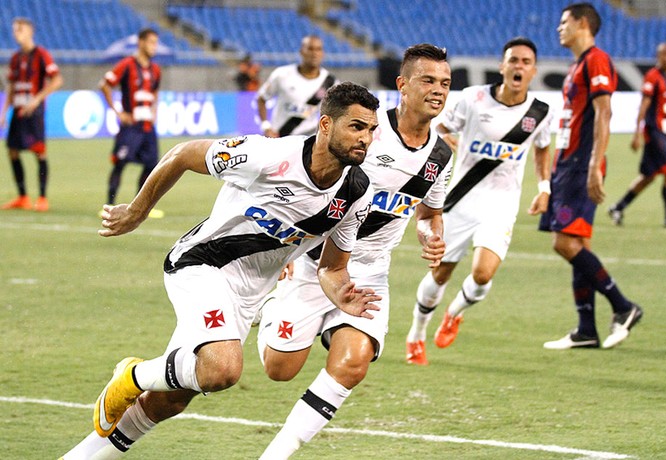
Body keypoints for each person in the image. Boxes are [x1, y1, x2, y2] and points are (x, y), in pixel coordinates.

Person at [60, 82, 381, 459]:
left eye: (372, 130)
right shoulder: (267, 156)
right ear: (326, 125)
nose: (366, 139)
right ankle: (130, 375)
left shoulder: (357, 192)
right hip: (202, 263)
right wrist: (136, 210)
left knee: (171, 400)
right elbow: (183, 154)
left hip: (250, 295)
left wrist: (341, 292)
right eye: (357, 127)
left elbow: (332, 267)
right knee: (222, 369)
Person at [256, 44, 452, 458]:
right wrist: (287, 252)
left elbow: (428, 214)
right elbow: (309, 180)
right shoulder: (364, 132)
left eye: (445, 83)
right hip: (314, 262)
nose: (438, 90)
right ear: (402, 85)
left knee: (352, 362)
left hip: (369, 272)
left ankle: (275, 454)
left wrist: (430, 234)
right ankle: (268, 307)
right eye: (428, 80)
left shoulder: (441, 155)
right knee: (280, 370)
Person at [405, 37, 553, 365]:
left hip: (501, 204)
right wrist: (447, 140)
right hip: (461, 199)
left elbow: (542, 146)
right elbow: (440, 127)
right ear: (502, 66)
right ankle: (416, 333)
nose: (519, 66)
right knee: (440, 273)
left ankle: (454, 313)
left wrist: (544, 186)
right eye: (513, 60)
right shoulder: (473, 99)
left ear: (533, 71)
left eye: (526, 62)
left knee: (483, 274)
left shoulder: (541, 112)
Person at [540, 2, 643, 350]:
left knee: (564, 243)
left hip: (581, 163)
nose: (559, 28)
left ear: (582, 23)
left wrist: (595, 164)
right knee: (577, 244)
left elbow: (604, 114)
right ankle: (586, 329)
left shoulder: (597, 59)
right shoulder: (578, 65)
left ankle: (624, 307)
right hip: (566, 164)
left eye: (564, 22)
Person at [608, 42, 666, 229]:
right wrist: (637, 133)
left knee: (648, 176)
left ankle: (618, 207)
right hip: (653, 131)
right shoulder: (653, 76)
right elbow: (644, 104)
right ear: (659, 56)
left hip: (664, 132)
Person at [1, 17, 63, 212]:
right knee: (12, 151)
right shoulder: (15, 58)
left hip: (34, 113)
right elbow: (11, 87)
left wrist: (37, 99)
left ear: (30, 31)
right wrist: (4, 112)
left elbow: (57, 80)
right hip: (18, 111)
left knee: (39, 152)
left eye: (19, 29)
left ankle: (43, 197)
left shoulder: (41, 55)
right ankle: (23, 196)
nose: (16, 33)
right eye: (14, 30)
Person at [101, 28, 164, 218]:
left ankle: (140, 208)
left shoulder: (155, 70)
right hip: (131, 127)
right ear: (141, 42)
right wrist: (117, 111)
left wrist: (154, 111)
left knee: (152, 165)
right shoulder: (127, 65)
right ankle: (109, 206)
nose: (154, 47)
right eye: (151, 42)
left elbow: (155, 92)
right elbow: (104, 84)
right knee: (120, 163)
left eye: (156, 43)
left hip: (147, 127)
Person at [256, 35, 337, 138]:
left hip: (309, 141)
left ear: (323, 53)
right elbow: (261, 98)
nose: (314, 53)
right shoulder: (282, 74)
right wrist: (266, 126)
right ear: (301, 52)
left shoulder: (330, 82)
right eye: (310, 49)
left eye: (318, 49)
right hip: (280, 138)